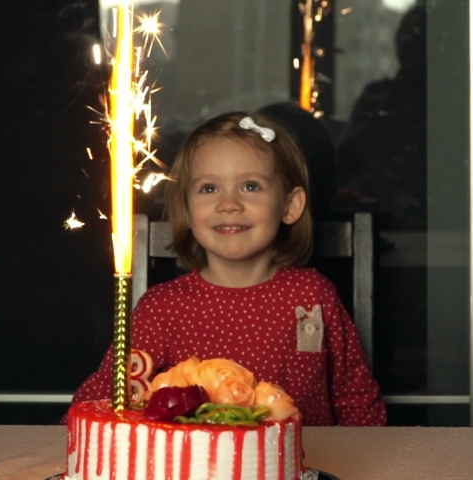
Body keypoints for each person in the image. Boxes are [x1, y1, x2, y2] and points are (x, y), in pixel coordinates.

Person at [69, 111, 387, 426]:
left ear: (290, 206)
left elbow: (356, 400)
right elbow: (100, 401)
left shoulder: (313, 297)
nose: (228, 204)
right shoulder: (161, 309)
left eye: (250, 186)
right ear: (187, 207)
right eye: (209, 189)